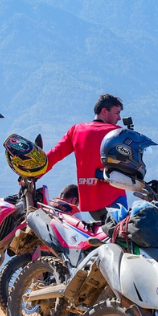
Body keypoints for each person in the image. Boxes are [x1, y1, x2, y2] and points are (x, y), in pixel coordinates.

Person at [45, 94, 128, 222]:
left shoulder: (76, 130)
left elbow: (55, 154)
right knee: (123, 238)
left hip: (90, 204)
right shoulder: (116, 133)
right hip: (114, 198)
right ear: (104, 111)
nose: (119, 118)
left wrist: (32, 171)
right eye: (117, 113)